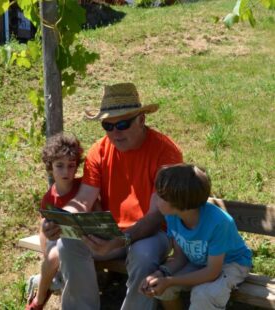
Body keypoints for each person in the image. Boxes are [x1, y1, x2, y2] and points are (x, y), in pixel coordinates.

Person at [42, 82, 183, 310]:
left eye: (123, 124)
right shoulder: (99, 149)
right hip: (110, 232)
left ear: (141, 120)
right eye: (107, 125)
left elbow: (157, 215)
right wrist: (62, 218)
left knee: (144, 254)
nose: (115, 133)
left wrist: (123, 239)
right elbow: (84, 200)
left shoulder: (165, 152)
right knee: (67, 242)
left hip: (153, 233)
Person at [139, 164, 252, 310]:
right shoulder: (172, 216)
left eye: (160, 196)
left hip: (231, 264)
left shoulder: (219, 223)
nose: (154, 199)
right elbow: (180, 257)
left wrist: (170, 281)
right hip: (201, 261)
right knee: (163, 288)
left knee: (203, 294)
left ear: (178, 202)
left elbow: (212, 272)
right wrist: (159, 274)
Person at [26, 133, 84, 310]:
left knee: (57, 254)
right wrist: (46, 251)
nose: (66, 172)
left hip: (81, 242)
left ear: (76, 167)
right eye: (60, 166)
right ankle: (43, 292)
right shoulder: (49, 197)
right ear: (50, 167)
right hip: (57, 242)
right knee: (53, 255)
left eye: (71, 166)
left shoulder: (83, 188)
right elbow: (43, 227)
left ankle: (42, 294)